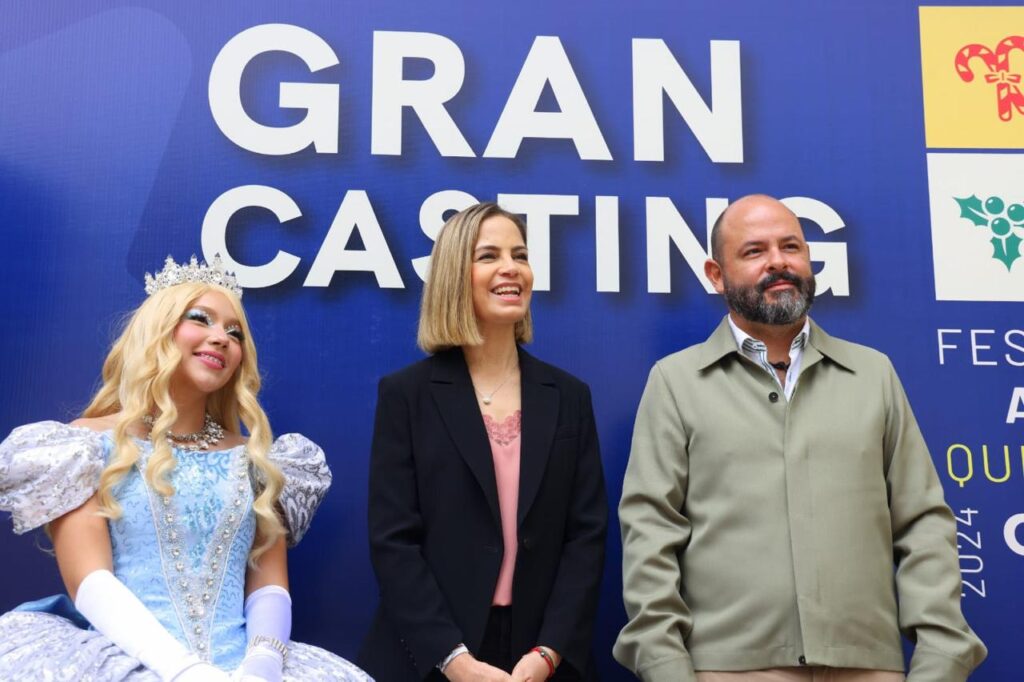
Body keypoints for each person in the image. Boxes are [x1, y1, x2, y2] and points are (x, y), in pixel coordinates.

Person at [614, 195, 987, 682]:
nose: (778, 262)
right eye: (754, 251)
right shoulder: (675, 382)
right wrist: (666, 668)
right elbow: (650, 532)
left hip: (869, 667)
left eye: (791, 247)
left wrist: (943, 659)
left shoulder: (873, 374)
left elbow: (923, 524)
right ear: (716, 275)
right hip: (728, 670)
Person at [0, 255, 371, 682]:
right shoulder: (83, 446)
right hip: (130, 663)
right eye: (201, 319)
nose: (222, 338)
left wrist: (262, 668)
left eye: (234, 332)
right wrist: (186, 672)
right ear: (157, 330)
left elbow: (269, 586)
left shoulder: (257, 460)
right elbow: (90, 581)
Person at [358, 203, 607, 681]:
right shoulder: (407, 395)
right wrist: (454, 660)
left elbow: (586, 537)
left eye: (520, 255)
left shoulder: (569, 396)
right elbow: (393, 542)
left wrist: (549, 652)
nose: (511, 268)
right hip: (433, 656)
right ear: (455, 276)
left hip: (542, 657)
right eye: (489, 255)